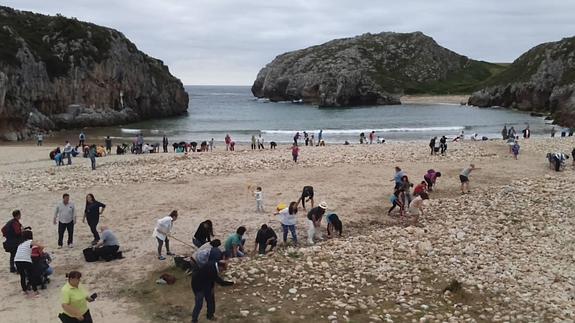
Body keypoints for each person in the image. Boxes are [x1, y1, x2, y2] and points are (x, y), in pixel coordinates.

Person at [15, 230, 43, 297]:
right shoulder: (30, 241)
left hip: (17, 260)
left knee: (22, 276)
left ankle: (24, 291)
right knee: (31, 275)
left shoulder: (20, 244)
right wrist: (40, 252)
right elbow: (41, 246)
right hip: (26, 260)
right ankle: (35, 291)